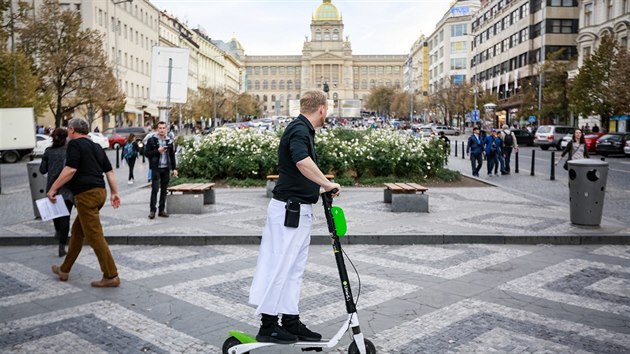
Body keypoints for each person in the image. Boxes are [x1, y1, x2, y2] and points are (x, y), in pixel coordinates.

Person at [249, 90, 341, 344]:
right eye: (327, 109)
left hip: (299, 210)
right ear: (321, 109)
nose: (327, 114)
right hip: (289, 211)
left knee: (293, 270)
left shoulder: (302, 129)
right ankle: (268, 324)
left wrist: (323, 183)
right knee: (281, 266)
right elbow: (302, 161)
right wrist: (326, 184)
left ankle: (290, 320)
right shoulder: (299, 130)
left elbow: (305, 162)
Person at [48, 118, 121, 288]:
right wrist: (114, 193)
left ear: (72, 130)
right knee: (77, 233)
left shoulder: (75, 144)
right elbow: (109, 172)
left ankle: (111, 275)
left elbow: (70, 169)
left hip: (86, 195)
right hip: (100, 193)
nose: (68, 133)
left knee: (95, 236)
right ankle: (64, 270)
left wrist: (53, 188)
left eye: (68, 130)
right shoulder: (96, 146)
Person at [39, 128, 74, 257]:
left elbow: (42, 170)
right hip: (67, 187)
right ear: (66, 138)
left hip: (52, 188)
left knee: (55, 214)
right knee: (65, 216)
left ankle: (58, 231)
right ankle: (61, 246)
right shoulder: (69, 151)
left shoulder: (48, 151)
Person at [145, 121, 178, 219]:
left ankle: (161, 210)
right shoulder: (152, 140)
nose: (162, 130)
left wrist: (174, 168)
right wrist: (157, 151)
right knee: (155, 189)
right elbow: (146, 153)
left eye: (164, 128)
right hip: (156, 168)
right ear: (157, 129)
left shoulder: (169, 141)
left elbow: (172, 156)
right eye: (160, 128)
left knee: (164, 190)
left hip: (166, 168)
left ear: (166, 129)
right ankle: (152, 211)